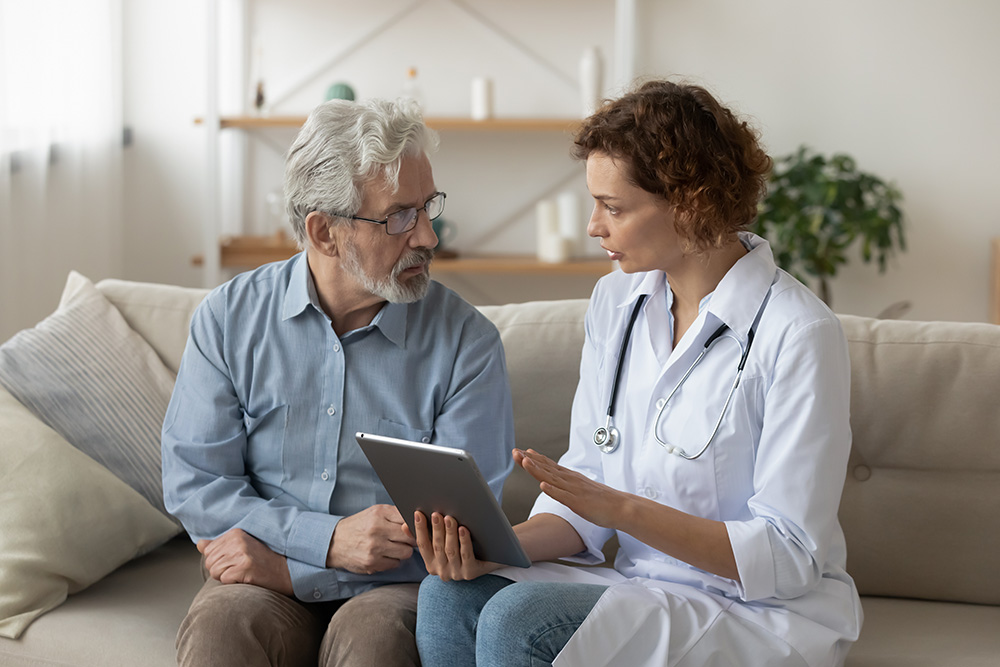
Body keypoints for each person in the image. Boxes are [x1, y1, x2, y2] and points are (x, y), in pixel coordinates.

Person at [412, 80, 863, 667]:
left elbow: (788, 556)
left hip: (758, 612)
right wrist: (497, 551)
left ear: (689, 202)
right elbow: (588, 486)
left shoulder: (798, 334)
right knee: (448, 594)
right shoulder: (616, 302)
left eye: (614, 207)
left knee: (518, 621)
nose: (594, 226)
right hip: (643, 592)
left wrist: (623, 510)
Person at [161, 97, 515, 667]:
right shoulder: (230, 318)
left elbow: (466, 533)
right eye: (400, 215)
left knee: (375, 641)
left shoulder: (467, 344)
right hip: (259, 578)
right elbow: (197, 483)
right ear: (324, 232)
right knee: (221, 628)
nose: (427, 236)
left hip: (391, 590)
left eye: (429, 207)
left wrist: (289, 567)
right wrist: (324, 542)